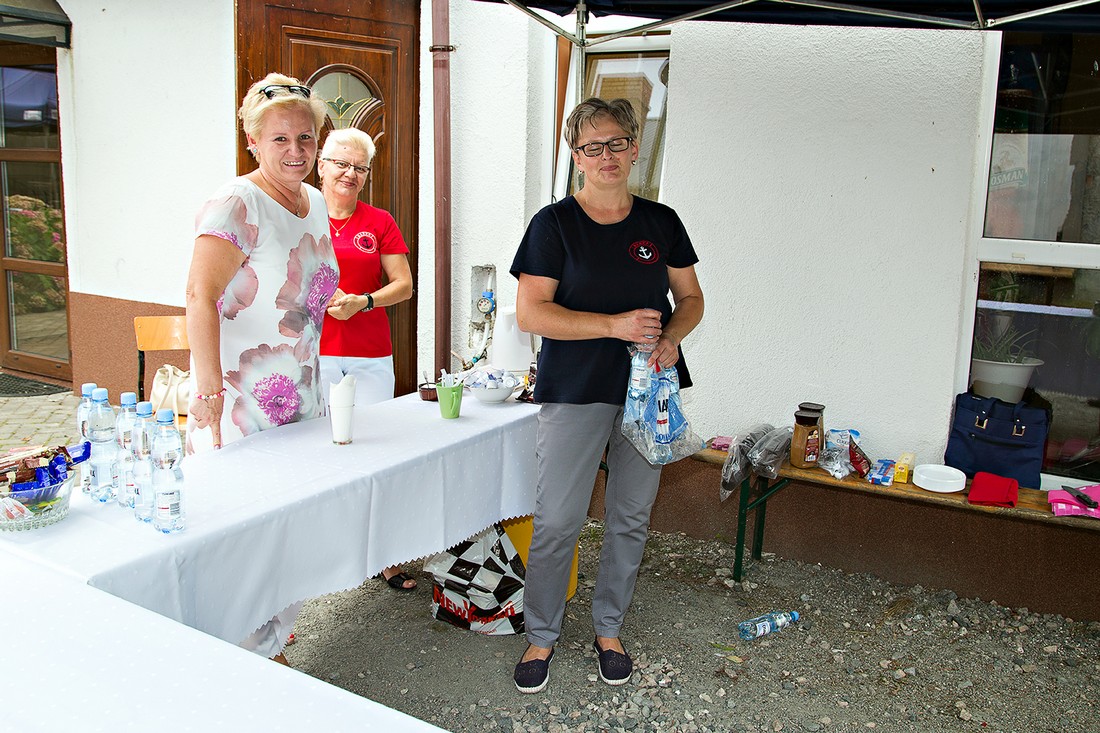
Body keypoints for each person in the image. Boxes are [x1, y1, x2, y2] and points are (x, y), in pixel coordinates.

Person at [509, 97, 704, 693]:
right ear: (576, 157)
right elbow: (531, 313)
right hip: (576, 390)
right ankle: (542, 635)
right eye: (592, 146)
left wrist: (671, 337)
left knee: (630, 517)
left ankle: (609, 629)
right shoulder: (553, 224)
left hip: (649, 394)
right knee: (558, 520)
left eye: (617, 142)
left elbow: (691, 299)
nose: (606, 155)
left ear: (635, 147)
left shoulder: (661, 221)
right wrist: (613, 325)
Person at [185, 72, 335, 664]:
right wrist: (207, 391)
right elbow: (199, 296)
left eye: (306, 137)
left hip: (301, 395)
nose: (296, 150)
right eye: (280, 139)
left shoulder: (314, 201)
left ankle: (272, 641)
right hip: (241, 400)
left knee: (291, 525)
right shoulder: (237, 202)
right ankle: (246, 657)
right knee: (243, 535)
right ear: (252, 140)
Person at [317, 127, 417, 591]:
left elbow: (404, 284)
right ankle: (329, 549)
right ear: (321, 165)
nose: (349, 174)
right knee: (319, 448)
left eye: (359, 167)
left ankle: (384, 555)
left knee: (375, 450)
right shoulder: (299, 214)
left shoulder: (379, 221)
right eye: (341, 163)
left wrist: (365, 301)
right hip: (313, 352)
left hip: (370, 354)